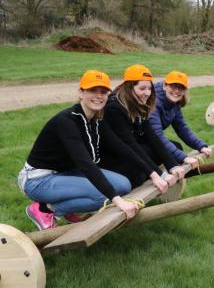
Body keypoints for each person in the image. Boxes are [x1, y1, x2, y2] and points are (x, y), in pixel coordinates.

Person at [18, 70, 169, 230]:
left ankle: (67, 206)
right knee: (105, 196)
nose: (98, 96)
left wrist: (154, 174)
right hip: (38, 180)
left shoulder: (96, 119)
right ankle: (46, 209)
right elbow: (85, 164)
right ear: (81, 92)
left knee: (124, 185)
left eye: (103, 92)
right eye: (92, 90)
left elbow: (122, 148)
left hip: (66, 172)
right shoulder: (66, 121)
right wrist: (119, 201)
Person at [101, 64, 185, 188]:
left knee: (175, 149)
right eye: (142, 88)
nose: (147, 93)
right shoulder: (114, 108)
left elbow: (151, 136)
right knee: (137, 176)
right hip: (112, 157)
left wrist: (172, 165)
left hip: (132, 149)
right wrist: (159, 174)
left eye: (149, 88)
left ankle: (151, 170)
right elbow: (130, 144)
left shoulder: (138, 103)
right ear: (129, 88)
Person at [150, 71, 212, 166]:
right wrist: (183, 157)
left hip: (149, 140)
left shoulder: (173, 104)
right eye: (173, 86)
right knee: (171, 155)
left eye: (181, 87)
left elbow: (182, 128)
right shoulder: (153, 102)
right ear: (164, 85)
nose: (177, 91)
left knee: (177, 147)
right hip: (136, 144)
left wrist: (200, 146)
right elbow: (156, 135)